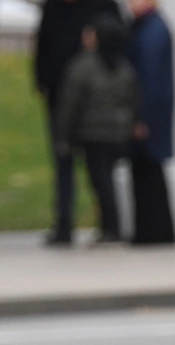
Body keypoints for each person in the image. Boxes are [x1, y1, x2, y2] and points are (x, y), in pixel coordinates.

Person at [34, 0, 123, 245]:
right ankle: (64, 224)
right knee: (62, 158)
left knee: (99, 166)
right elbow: (43, 45)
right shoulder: (54, 8)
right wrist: (41, 79)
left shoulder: (103, 6)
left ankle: (110, 225)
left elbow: (117, 44)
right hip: (60, 96)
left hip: (95, 101)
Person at [54, 17, 139, 245]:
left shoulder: (83, 66)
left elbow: (70, 103)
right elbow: (131, 100)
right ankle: (112, 226)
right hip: (116, 133)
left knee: (100, 182)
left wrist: (63, 136)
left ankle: (110, 228)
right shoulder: (123, 66)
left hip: (93, 134)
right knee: (107, 179)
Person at [127, 0, 175, 245]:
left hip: (149, 117)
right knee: (148, 174)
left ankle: (152, 233)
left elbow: (149, 78)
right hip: (152, 115)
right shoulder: (147, 27)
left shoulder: (151, 30)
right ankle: (154, 231)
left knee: (148, 175)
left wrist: (141, 118)